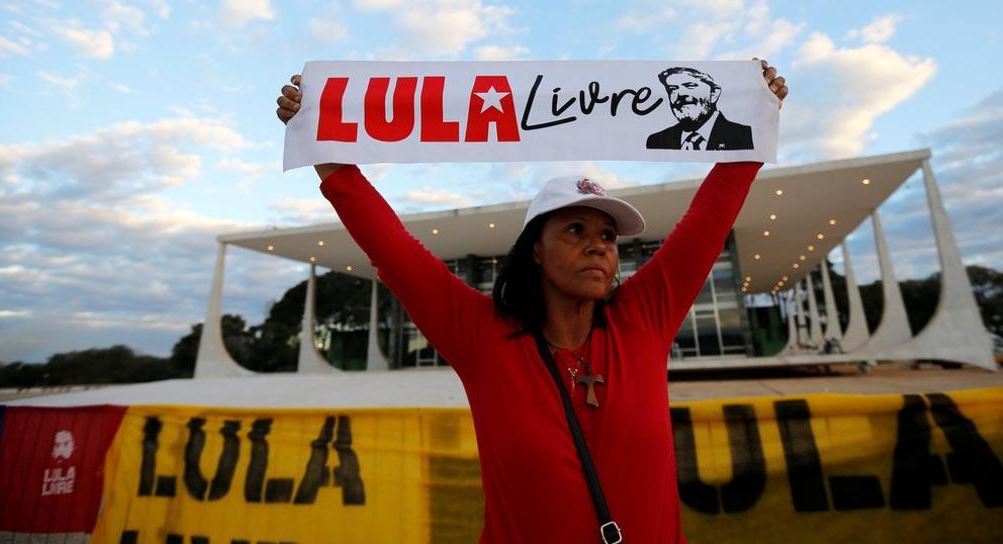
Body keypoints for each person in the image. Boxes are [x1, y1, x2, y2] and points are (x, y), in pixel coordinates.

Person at [277, 61, 788, 543]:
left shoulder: (643, 320)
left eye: (609, 237)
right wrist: (319, 140)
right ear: (536, 252)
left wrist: (754, 115)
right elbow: (391, 247)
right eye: (575, 230)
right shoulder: (482, 336)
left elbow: (707, 222)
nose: (599, 246)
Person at [645, 66, 753, 151]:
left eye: (690, 86)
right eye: (673, 89)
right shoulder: (656, 141)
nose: (680, 94)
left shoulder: (746, 136)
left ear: (714, 93)